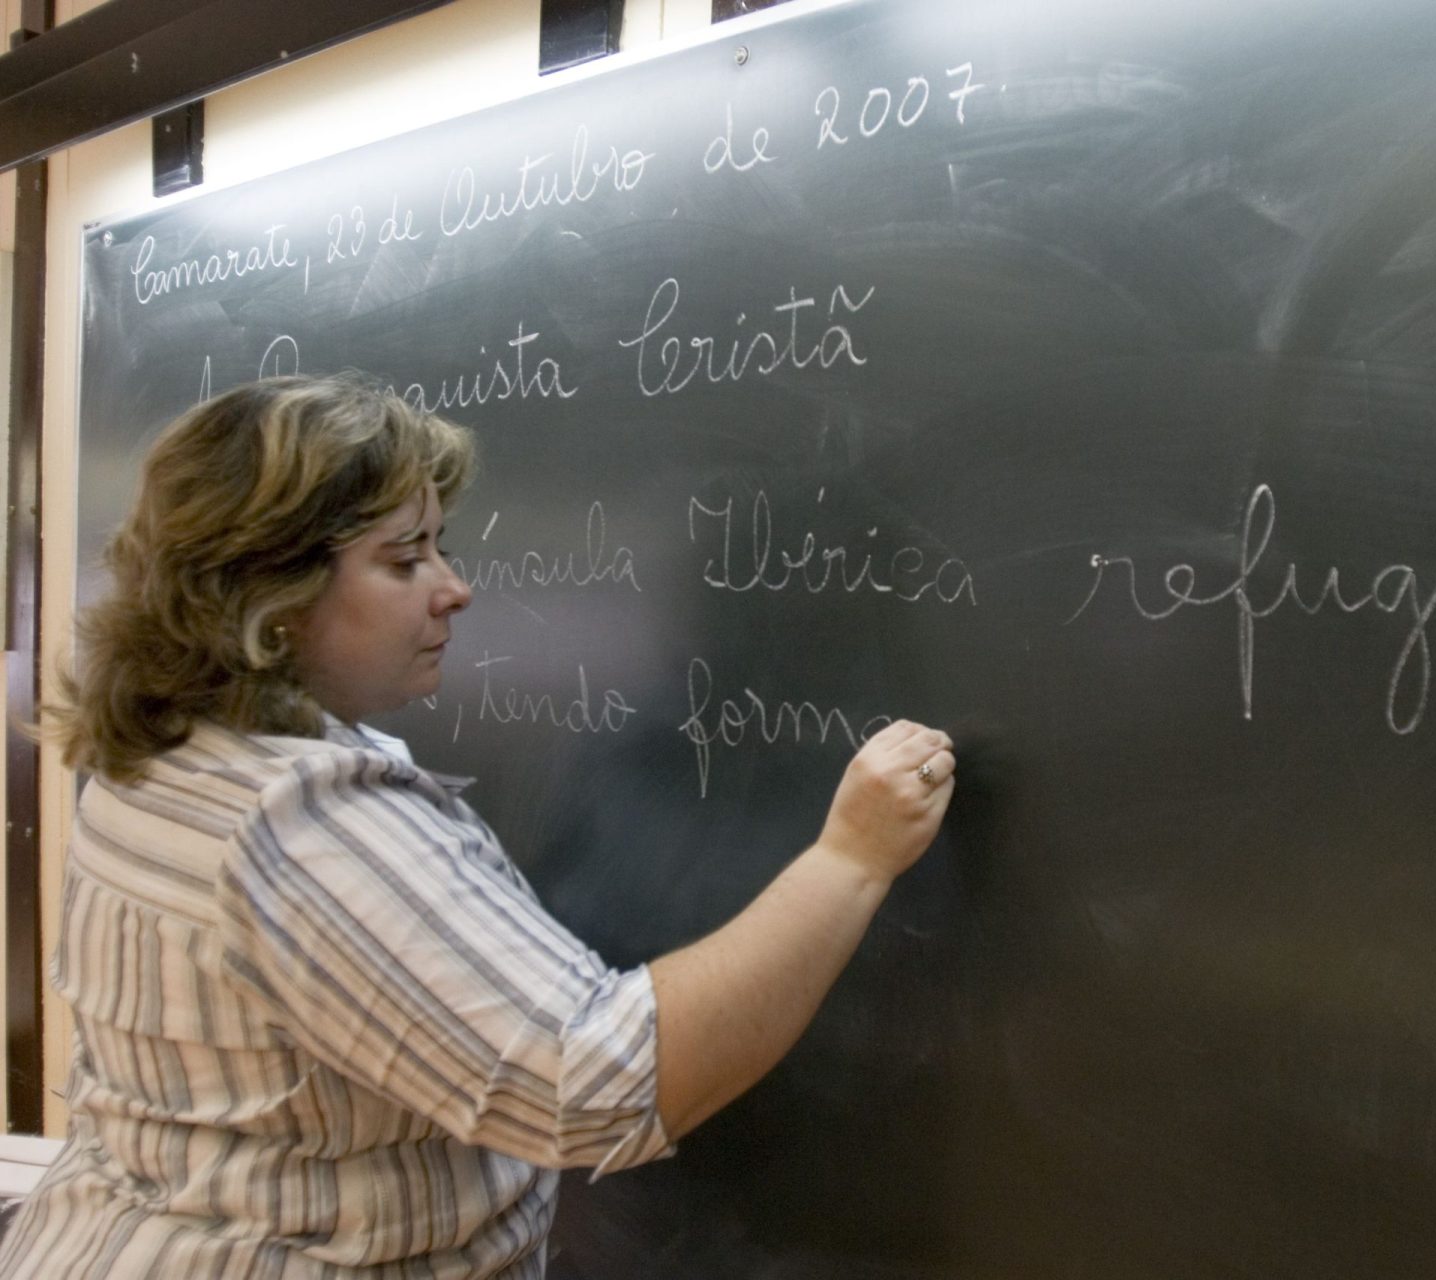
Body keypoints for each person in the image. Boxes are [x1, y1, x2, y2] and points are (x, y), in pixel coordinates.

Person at [0, 373, 956, 1278]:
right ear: (271, 595)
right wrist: (852, 858)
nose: (453, 588)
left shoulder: (164, 750)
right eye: (403, 559)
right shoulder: (301, 823)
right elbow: (598, 1085)